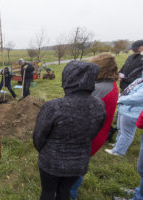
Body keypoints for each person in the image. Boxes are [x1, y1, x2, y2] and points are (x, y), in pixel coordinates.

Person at [33, 61, 106, 200]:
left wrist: (44, 151)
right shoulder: (99, 105)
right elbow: (94, 132)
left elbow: (38, 137)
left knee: (48, 192)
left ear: (67, 78)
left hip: (51, 162)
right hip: (79, 163)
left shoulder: (53, 106)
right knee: (65, 192)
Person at [69, 53, 119, 199]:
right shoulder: (110, 85)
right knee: (78, 167)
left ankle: (70, 195)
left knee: (72, 172)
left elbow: (80, 112)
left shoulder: (99, 89)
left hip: (87, 136)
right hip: (98, 134)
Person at [105, 72, 143, 156]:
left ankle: (118, 152)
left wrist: (120, 100)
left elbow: (137, 98)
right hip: (124, 109)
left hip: (132, 112)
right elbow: (127, 91)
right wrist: (118, 96)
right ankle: (117, 145)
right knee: (121, 129)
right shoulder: (139, 80)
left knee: (127, 133)